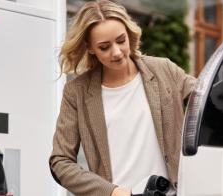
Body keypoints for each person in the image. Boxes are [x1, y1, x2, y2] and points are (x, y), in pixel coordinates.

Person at [49, 0, 197, 196]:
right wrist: (111, 191)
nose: (117, 52)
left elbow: (207, 101)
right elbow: (60, 161)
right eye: (104, 47)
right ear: (90, 48)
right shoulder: (77, 92)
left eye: (121, 40)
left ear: (129, 33)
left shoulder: (164, 70)